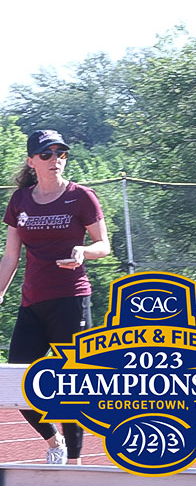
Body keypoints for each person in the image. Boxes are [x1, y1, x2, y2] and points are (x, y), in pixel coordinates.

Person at [0, 130, 110, 465]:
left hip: (71, 299)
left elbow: (104, 246)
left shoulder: (82, 197)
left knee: (71, 384)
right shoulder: (20, 200)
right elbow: (10, 257)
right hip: (32, 302)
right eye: (46, 155)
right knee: (15, 386)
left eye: (60, 154)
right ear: (32, 161)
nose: (55, 161)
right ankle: (54, 440)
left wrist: (82, 252)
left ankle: (75, 465)